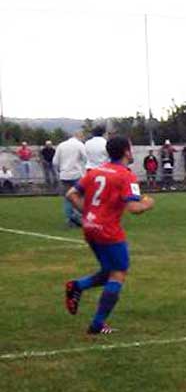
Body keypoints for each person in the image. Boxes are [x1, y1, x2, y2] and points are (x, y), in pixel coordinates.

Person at [63, 135, 154, 336]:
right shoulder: (126, 175)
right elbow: (133, 207)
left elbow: (71, 194)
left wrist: (87, 213)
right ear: (126, 152)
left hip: (90, 227)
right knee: (119, 273)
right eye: (130, 148)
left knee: (108, 271)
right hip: (108, 230)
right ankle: (97, 324)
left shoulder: (96, 171)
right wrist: (147, 203)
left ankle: (77, 286)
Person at [55, 129, 88, 227]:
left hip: (64, 175)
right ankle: (78, 217)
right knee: (79, 197)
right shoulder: (80, 145)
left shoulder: (61, 145)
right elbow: (86, 159)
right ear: (80, 136)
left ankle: (69, 219)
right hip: (76, 174)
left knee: (67, 198)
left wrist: (60, 170)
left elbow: (55, 162)